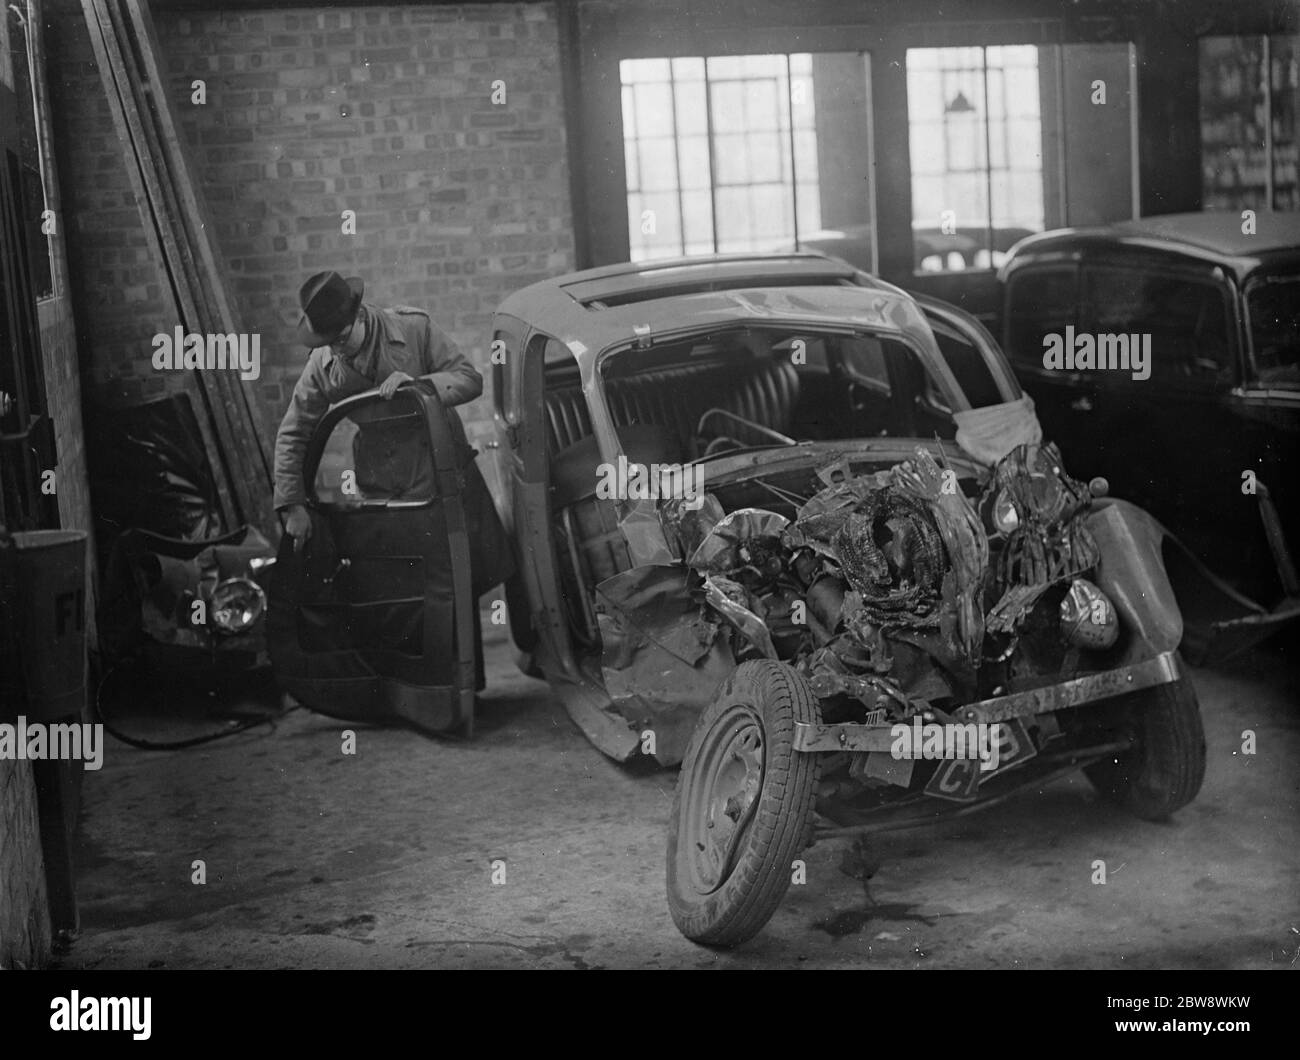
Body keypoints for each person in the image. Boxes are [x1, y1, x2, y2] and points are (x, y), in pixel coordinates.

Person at [272, 270, 513, 690]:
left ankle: (462, 693)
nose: (336, 349)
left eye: (341, 337)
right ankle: (416, 693)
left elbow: (469, 378)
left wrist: (421, 386)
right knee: (404, 590)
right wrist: (292, 503)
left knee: (457, 580)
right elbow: (295, 430)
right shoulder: (324, 365)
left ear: (361, 317)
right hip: (384, 484)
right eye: (326, 341)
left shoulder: (413, 330)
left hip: (440, 472)